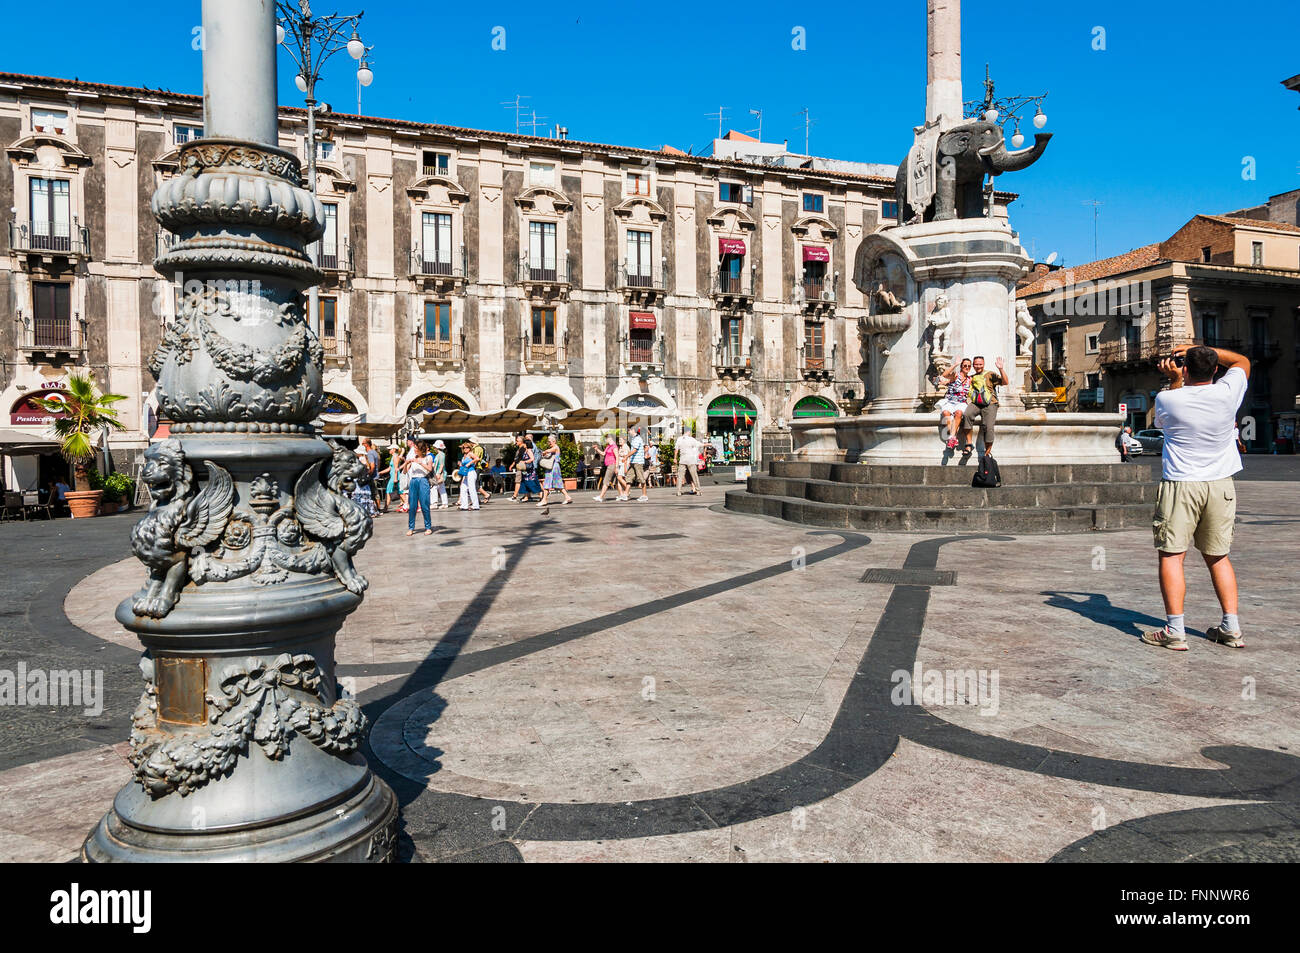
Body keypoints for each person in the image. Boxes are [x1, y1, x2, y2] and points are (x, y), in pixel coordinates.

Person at [1141, 344, 1251, 651]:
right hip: (1220, 484)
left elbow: (1163, 420)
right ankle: (1231, 627)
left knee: (1172, 556)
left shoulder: (1168, 397)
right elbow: (1242, 360)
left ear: (1185, 369)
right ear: (1216, 370)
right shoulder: (1229, 392)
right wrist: (1201, 350)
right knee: (1218, 556)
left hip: (1181, 484)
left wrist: (1175, 378)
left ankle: (1175, 630)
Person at [963, 355, 1009, 457]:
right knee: (967, 414)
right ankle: (969, 444)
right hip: (976, 402)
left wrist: (1001, 369)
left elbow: (1005, 382)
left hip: (990, 403)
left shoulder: (990, 374)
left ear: (983, 364)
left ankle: (987, 452)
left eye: (980, 364)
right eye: (976, 364)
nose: (978, 366)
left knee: (988, 427)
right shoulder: (972, 377)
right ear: (973, 365)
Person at [935, 358, 973, 450]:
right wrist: (955, 364)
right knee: (945, 413)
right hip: (950, 401)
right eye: (965, 365)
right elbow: (944, 375)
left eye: (969, 366)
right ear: (961, 366)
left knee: (959, 413)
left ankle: (951, 437)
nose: (967, 367)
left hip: (961, 402)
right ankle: (953, 437)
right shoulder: (956, 375)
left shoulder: (970, 379)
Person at [404, 440, 434, 536]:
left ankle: (428, 527)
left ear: (421, 449)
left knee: (425, 504)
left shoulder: (428, 457)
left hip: (423, 480)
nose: (414, 450)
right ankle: (411, 527)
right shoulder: (413, 457)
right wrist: (406, 463)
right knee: (412, 505)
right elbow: (405, 471)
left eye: (416, 448)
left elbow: (429, 469)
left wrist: (420, 462)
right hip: (413, 481)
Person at [537, 434, 573, 506]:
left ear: (554, 441)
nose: (548, 443)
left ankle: (544, 500)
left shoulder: (556, 447)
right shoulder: (553, 448)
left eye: (549, 441)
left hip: (553, 467)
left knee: (549, 483)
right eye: (548, 442)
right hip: (552, 467)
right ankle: (567, 497)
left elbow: (549, 450)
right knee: (556, 483)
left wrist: (545, 452)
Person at [674, 428, 702, 495]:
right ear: (688, 431)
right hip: (691, 460)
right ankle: (698, 491)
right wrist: (708, 444)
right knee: (694, 475)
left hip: (682, 459)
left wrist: (675, 458)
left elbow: (676, 450)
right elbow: (699, 444)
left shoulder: (679, 439)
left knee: (680, 476)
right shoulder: (691, 439)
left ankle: (679, 491)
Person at [593, 434, 620, 502]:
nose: (606, 440)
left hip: (612, 465)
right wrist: (597, 449)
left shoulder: (614, 447)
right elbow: (603, 454)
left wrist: (616, 467)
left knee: (606, 481)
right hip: (608, 465)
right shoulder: (608, 446)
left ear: (610, 438)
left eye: (606, 438)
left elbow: (617, 457)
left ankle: (601, 497)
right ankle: (622, 494)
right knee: (615, 481)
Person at [628, 426, 651, 502]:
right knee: (629, 477)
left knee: (641, 479)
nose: (628, 432)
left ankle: (644, 495)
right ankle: (625, 494)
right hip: (633, 461)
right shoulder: (634, 438)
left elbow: (635, 450)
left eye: (629, 430)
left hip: (638, 461)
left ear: (633, 430)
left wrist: (626, 456)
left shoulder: (638, 438)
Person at [516, 435, 541, 502]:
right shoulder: (526, 450)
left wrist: (524, 461)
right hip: (526, 471)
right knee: (525, 483)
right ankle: (526, 497)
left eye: (524, 443)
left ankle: (541, 494)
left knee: (531, 483)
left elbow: (532, 458)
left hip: (530, 471)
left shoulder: (529, 450)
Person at [457, 442, 480, 510]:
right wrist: (461, 464)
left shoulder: (470, 454)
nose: (465, 449)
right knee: (463, 488)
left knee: (471, 489)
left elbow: (477, 458)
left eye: (467, 447)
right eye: (464, 448)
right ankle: (464, 505)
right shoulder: (464, 455)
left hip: (471, 472)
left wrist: (470, 463)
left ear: (470, 448)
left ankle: (475, 505)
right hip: (466, 474)